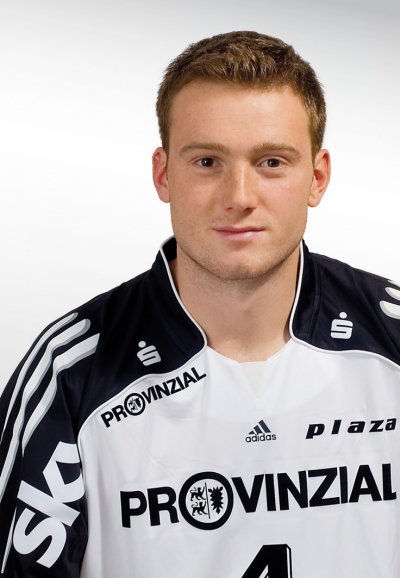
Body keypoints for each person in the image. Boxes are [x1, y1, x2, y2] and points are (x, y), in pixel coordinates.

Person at [1, 30, 399, 578]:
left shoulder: (392, 341)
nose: (239, 196)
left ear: (317, 176)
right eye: (208, 161)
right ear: (164, 174)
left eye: (272, 162)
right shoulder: (69, 375)